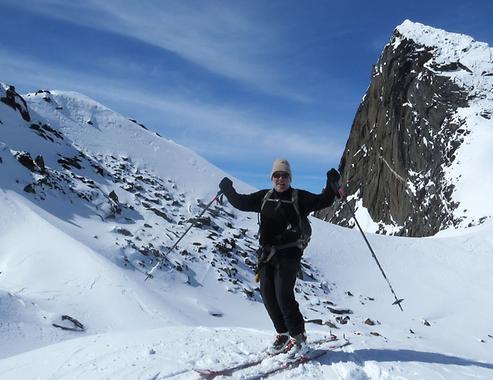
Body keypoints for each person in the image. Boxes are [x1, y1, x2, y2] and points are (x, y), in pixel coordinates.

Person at [219, 159, 341, 356]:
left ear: (290, 178)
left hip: (290, 254)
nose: (280, 179)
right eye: (277, 175)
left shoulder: (299, 197)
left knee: (284, 296)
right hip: (267, 255)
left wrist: (332, 184)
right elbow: (240, 202)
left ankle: (299, 337)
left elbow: (323, 201)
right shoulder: (264, 197)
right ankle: (283, 334)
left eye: (284, 175)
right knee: (268, 295)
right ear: (272, 178)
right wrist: (227, 189)